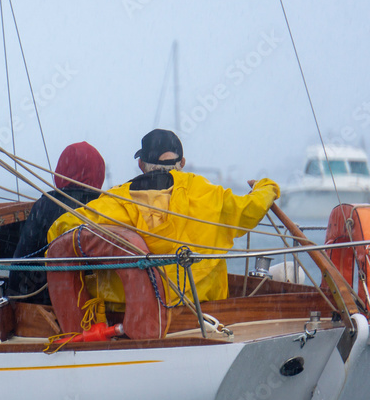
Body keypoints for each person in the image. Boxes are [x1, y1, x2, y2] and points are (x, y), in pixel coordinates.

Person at [46, 129, 280, 307]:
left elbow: (61, 230)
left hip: (132, 312)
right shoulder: (206, 193)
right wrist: (265, 186)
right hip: (205, 311)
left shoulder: (117, 199)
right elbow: (250, 208)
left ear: (140, 164)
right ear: (183, 163)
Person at [8, 141, 106, 302]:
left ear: (60, 171)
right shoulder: (106, 207)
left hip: (50, 304)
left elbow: (23, 262)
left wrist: (13, 297)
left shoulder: (45, 207)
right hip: (98, 306)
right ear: (99, 172)